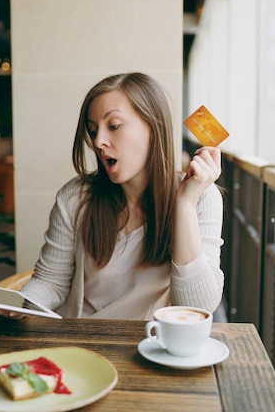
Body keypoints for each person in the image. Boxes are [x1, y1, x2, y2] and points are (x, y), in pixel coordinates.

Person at [23, 72, 224, 320]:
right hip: (83, 345)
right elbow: (51, 282)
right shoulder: (75, 198)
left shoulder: (202, 197)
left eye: (114, 126)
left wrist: (184, 205)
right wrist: (19, 305)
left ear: (153, 127)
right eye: (93, 130)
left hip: (153, 347)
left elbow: (198, 308)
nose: (99, 142)